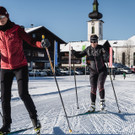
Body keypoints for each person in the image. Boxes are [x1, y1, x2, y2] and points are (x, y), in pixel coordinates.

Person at [0, 6, 49, 134]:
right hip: (5, 68)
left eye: (2, 17)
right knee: (4, 97)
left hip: (20, 66)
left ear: (7, 16)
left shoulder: (17, 29)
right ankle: (6, 125)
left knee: (23, 94)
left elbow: (32, 41)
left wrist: (41, 44)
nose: (0, 20)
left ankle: (35, 120)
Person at [72, 34, 109, 112]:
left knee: (100, 85)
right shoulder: (88, 49)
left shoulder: (101, 48)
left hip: (102, 70)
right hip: (93, 71)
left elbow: (106, 53)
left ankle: (102, 104)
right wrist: (74, 53)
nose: (93, 43)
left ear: (97, 41)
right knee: (93, 88)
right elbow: (79, 55)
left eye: (95, 41)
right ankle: (92, 106)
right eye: (92, 41)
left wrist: (106, 56)